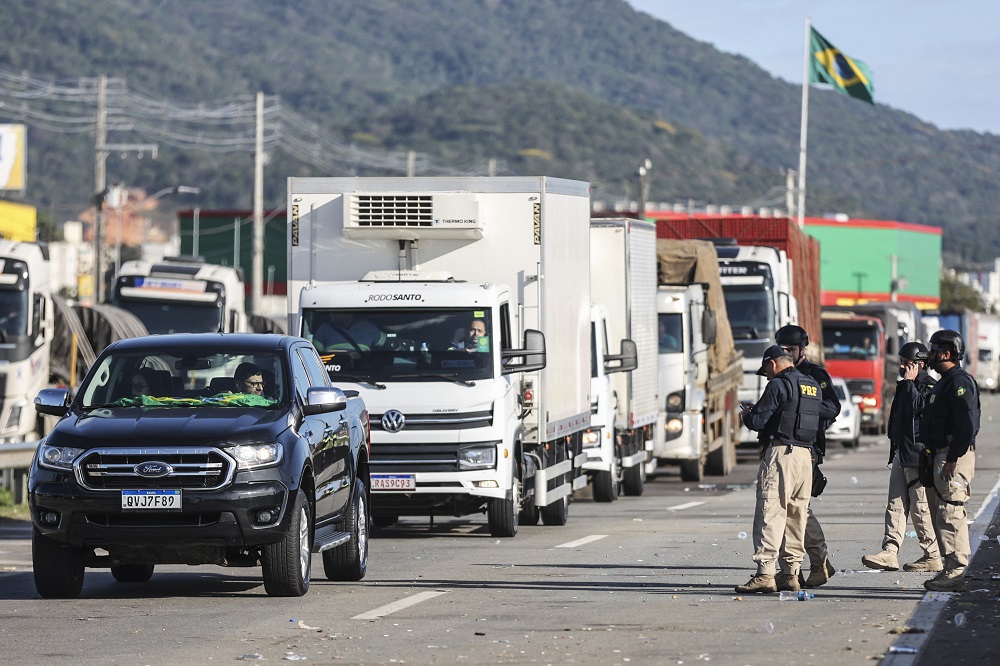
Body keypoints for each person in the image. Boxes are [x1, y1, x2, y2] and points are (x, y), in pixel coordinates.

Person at [735, 345, 821, 594]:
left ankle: (765, 573)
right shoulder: (811, 385)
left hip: (781, 454)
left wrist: (748, 414)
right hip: (806, 456)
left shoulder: (778, 384)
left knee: (770, 511)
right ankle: (791, 574)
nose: (767, 376)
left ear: (772, 364)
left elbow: (757, 421)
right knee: (797, 515)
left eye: (766, 371)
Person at [862, 342, 942, 573]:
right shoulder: (904, 386)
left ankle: (932, 554)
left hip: (918, 457)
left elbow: (920, 408)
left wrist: (909, 383)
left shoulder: (928, 386)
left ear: (920, 364)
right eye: (903, 363)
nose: (903, 367)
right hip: (902, 453)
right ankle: (889, 551)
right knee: (895, 505)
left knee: (920, 508)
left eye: (908, 364)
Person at [775, 325, 841, 588]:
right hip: (782, 447)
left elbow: (832, 406)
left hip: (807, 449)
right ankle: (799, 568)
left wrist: (804, 404)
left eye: (791, 350)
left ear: (803, 349)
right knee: (786, 508)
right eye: (783, 350)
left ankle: (815, 562)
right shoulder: (778, 372)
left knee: (796, 509)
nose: (787, 354)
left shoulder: (815, 375)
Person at [919, 329, 980, 592]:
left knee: (951, 511)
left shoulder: (959, 382)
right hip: (941, 454)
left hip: (952, 456)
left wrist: (953, 457)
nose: (929, 354)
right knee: (941, 514)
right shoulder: (944, 381)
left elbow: (966, 425)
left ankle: (956, 572)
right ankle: (950, 568)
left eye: (933, 350)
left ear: (946, 353)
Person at [312, 312, 385, 352]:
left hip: (362, 371)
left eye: (336, 312)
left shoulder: (369, 327)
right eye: (331, 312)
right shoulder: (325, 328)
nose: (332, 315)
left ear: (349, 314)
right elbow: (316, 353)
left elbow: (387, 345)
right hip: (331, 372)